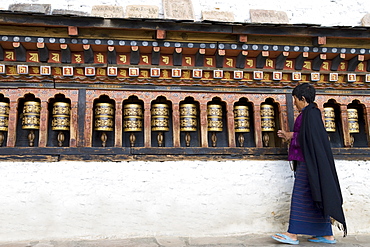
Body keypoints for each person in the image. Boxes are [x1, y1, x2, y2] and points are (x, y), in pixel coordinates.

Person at [271, 83, 347, 245]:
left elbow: (310, 138)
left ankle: (292, 233)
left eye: (295, 100)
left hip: (309, 163)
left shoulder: (310, 114)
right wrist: (291, 135)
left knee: (301, 195)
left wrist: (290, 135)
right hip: (309, 160)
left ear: (303, 99)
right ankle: (326, 234)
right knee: (314, 195)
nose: (295, 103)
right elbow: (308, 136)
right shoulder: (308, 113)